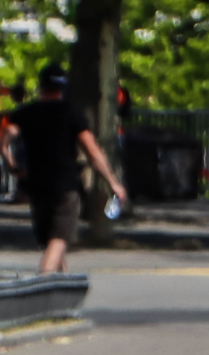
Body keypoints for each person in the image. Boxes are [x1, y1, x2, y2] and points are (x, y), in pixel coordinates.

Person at [8, 64, 129, 273]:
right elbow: (93, 153)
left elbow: (1, 141)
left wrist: (13, 165)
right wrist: (113, 183)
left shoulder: (26, 112)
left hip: (36, 184)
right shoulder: (71, 112)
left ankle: (62, 287)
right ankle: (43, 284)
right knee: (59, 240)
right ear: (63, 87)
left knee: (51, 241)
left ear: (41, 85)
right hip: (64, 184)